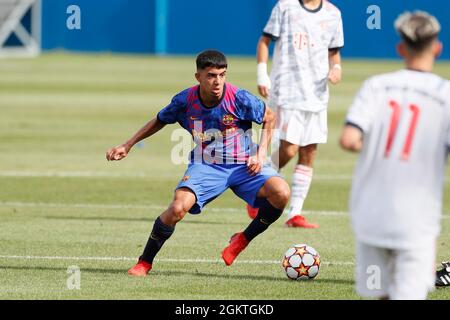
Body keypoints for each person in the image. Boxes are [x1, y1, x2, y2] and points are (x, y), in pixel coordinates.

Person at [106, 50, 290, 276]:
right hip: (207, 165)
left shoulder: (239, 98)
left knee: (281, 193)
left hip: (243, 165)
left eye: (222, 75)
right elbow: (160, 120)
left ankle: (242, 239)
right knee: (176, 208)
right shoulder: (184, 101)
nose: (218, 81)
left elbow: (269, 117)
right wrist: (128, 144)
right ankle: (144, 262)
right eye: (212, 75)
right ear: (198, 77)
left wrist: (261, 154)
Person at [340, 11, 448, 299]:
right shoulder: (445, 94)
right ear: (437, 48)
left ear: (401, 48)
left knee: (381, 294)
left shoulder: (376, 85)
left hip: (370, 213)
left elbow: (349, 139)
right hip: (416, 217)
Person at [249, 0, 344, 228]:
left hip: (317, 94)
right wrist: (262, 74)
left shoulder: (333, 14)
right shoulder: (285, 7)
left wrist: (337, 69)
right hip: (288, 90)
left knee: (309, 151)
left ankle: (295, 213)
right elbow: (264, 41)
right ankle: (258, 189)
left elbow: (333, 54)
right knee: (289, 149)